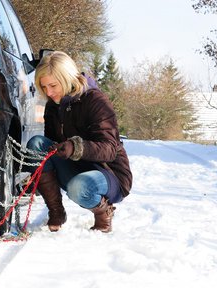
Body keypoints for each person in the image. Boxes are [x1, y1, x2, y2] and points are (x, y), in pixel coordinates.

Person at [27, 51, 132, 233]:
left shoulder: (96, 100)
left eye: (53, 85)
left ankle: (104, 212)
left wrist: (76, 147)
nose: (49, 93)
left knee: (80, 187)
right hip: (75, 167)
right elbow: (49, 147)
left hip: (108, 173)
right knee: (37, 144)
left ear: (67, 78)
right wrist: (35, 168)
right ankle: (56, 212)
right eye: (44, 87)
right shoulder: (53, 104)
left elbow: (109, 149)